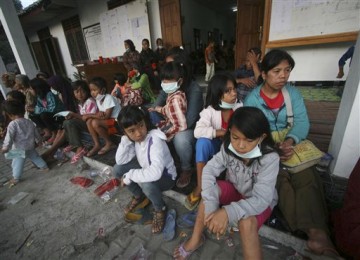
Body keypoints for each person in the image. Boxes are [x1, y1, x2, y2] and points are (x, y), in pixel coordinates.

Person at [244, 49, 340, 258]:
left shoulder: (293, 94)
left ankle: (318, 234)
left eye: (287, 70)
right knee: (280, 182)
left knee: (307, 177)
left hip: (291, 147)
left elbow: (302, 122)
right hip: (266, 150)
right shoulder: (252, 100)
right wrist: (272, 148)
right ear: (264, 73)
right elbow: (250, 132)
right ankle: (311, 231)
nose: (283, 76)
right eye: (277, 71)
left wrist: (289, 141)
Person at [173, 107, 279, 260]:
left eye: (249, 140)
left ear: (261, 138)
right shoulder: (228, 147)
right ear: (229, 132)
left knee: (246, 223)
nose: (241, 146)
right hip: (235, 190)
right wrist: (211, 207)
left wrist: (227, 212)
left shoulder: (270, 158)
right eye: (235, 137)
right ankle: (196, 239)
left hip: (258, 201)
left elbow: (261, 200)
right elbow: (209, 170)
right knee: (209, 194)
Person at [114, 105, 177, 234]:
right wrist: (125, 139)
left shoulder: (155, 140)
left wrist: (131, 175)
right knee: (118, 169)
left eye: (141, 125)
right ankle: (140, 196)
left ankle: (160, 209)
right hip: (148, 170)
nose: (138, 133)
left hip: (166, 177)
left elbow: (156, 172)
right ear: (125, 132)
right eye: (131, 131)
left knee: (147, 184)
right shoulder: (135, 139)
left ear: (145, 121)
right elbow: (120, 161)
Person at [185, 73, 242, 210]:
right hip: (216, 148)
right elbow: (197, 131)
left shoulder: (239, 107)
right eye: (228, 91)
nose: (234, 93)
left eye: (234, 89)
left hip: (233, 149)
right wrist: (220, 132)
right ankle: (200, 186)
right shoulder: (210, 110)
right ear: (217, 94)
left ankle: (229, 187)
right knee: (202, 143)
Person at [152, 46, 204, 188]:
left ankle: (187, 168)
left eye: (171, 65)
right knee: (151, 114)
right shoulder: (169, 84)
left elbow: (187, 121)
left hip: (189, 127)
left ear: (182, 69)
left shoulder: (194, 89)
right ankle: (161, 157)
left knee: (181, 138)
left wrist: (167, 128)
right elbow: (157, 105)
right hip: (172, 120)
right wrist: (160, 112)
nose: (167, 69)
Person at [42, 80, 98, 164]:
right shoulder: (80, 104)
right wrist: (72, 116)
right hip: (85, 124)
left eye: (82, 91)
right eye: (76, 92)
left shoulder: (90, 101)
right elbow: (82, 117)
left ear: (87, 91)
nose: (79, 94)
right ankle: (54, 150)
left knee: (69, 123)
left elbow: (88, 118)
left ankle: (79, 147)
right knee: (66, 122)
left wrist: (74, 115)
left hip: (91, 125)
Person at [1, 100, 49, 186]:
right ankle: (44, 167)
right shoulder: (29, 122)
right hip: (30, 146)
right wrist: (40, 141)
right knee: (35, 157)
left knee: (16, 162)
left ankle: (16, 178)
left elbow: (9, 137)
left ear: (10, 115)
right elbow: (36, 133)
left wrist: (5, 147)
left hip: (19, 149)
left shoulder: (13, 124)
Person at [84, 77, 121, 156]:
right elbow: (102, 114)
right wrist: (99, 113)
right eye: (91, 90)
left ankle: (109, 143)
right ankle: (97, 144)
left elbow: (106, 116)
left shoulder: (109, 98)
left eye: (94, 90)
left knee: (94, 122)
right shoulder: (98, 99)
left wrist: (89, 115)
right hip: (109, 121)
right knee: (89, 121)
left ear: (103, 90)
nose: (92, 93)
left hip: (118, 122)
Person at [27, 78, 64, 144]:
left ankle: (54, 133)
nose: (30, 91)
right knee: (32, 114)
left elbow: (52, 109)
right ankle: (47, 131)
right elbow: (39, 107)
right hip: (50, 115)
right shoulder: (39, 97)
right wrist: (32, 109)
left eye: (31, 89)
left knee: (44, 115)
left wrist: (35, 109)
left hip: (58, 115)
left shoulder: (50, 94)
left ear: (37, 88)